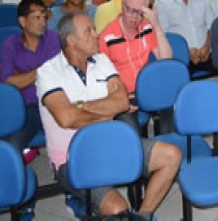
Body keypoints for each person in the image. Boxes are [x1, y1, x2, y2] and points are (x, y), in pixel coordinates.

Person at [37, 12, 181, 217]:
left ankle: (142, 215)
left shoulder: (102, 60)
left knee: (171, 156)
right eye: (89, 31)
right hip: (73, 158)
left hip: (112, 143)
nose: (96, 35)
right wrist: (105, 114)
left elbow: (121, 102)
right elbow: (67, 118)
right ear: (70, 40)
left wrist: (78, 106)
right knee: (117, 208)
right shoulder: (48, 73)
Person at [0, 0, 60, 153]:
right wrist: (42, 70)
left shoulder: (52, 38)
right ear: (23, 21)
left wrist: (22, 76)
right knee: (11, 146)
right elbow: (6, 83)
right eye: (36, 17)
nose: (43, 22)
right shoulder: (10, 44)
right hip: (26, 108)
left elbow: (56, 73)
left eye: (44, 17)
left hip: (55, 103)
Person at [98, 0, 172, 95]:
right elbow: (102, 76)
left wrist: (156, 24)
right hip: (124, 94)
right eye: (130, 10)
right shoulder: (107, 37)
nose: (134, 17)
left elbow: (166, 60)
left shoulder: (147, 27)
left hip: (149, 89)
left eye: (140, 13)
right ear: (122, 6)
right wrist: (121, 98)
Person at [155, 0, 213, 72]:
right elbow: (164, 37)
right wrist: (187, 52)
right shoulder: (162, 2)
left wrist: (207, 46)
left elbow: (212, 27)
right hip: (179, 60)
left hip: (206, 56)